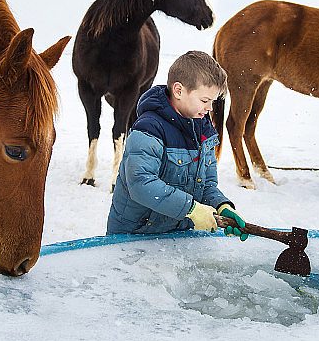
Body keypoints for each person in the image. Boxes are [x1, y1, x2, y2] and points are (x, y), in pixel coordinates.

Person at [106, 50, 248, 239]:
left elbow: (206, 185)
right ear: (179, 91)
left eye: (213, 101)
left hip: (177, 236)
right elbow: (140, 183)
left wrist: (222, 206)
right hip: (134, 236)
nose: (210, 108)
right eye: (205, 100)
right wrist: (192, 209)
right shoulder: (149, 128)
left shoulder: (203, 132)